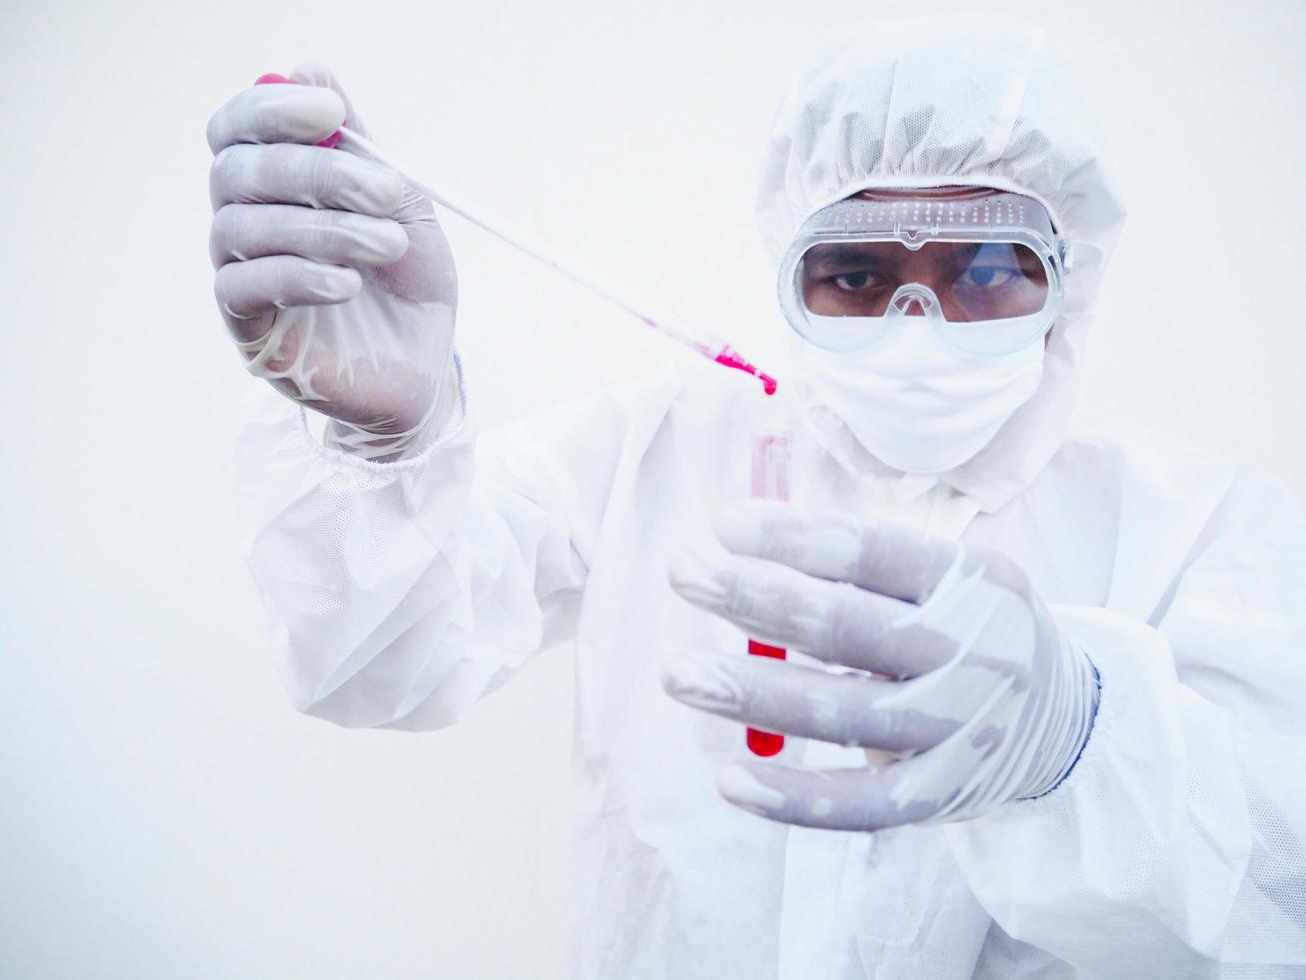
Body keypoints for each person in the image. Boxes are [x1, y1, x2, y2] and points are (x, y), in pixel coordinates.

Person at [206, 23, 1306, 978]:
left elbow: (1277, 905)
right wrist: (384, 440)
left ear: (1069, 280)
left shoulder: (1202, 530)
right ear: (792, 271)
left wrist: (1081, 734)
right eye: (858, 272)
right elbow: (375, 658)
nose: (914, 319)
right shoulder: (651, 454)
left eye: (981, 266)